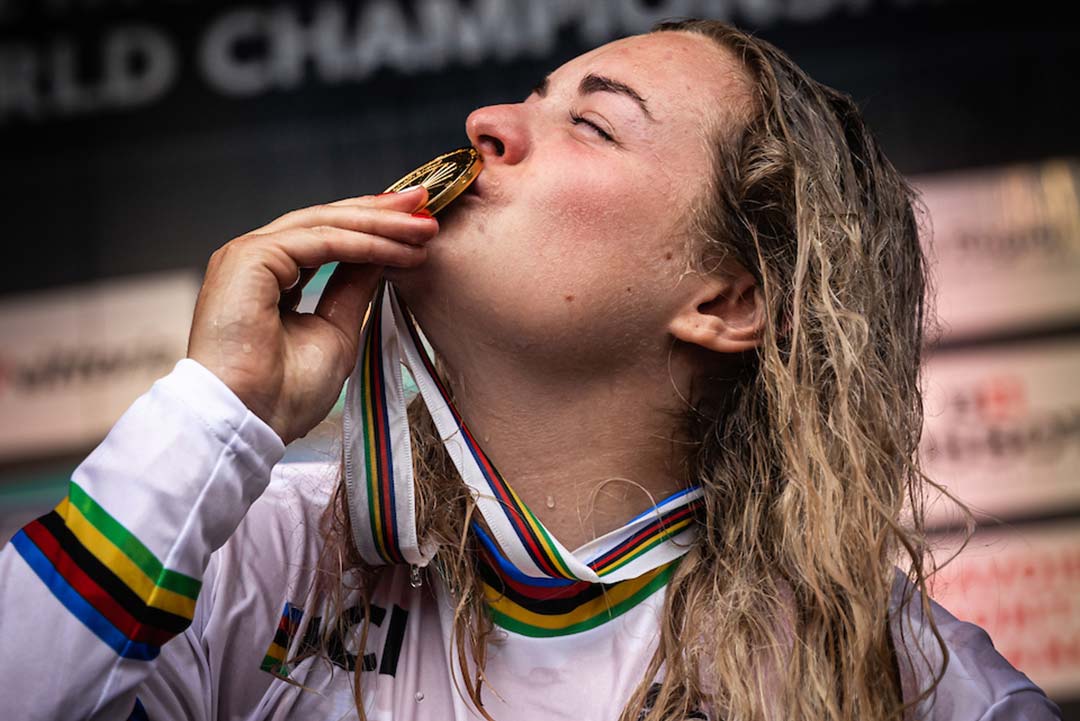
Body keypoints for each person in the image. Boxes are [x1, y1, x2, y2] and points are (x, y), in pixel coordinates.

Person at [0, 18, 1062, 721]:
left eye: (590, 123)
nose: (486, 125)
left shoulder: (897, 680)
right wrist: (215, 413)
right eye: (532, 98)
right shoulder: (262, 555)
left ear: (729, 301)